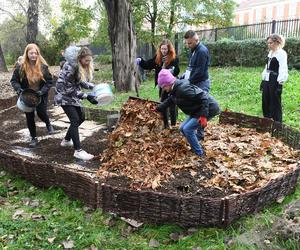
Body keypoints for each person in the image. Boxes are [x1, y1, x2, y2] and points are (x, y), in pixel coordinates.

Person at [155, 69, 220, 157]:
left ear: (168, 83)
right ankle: (195, 144)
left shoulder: (183, 89)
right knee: (182, 128)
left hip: (209, 108)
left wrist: (203, 116)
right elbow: (170, 100)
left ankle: (199, 154)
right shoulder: (175, 89)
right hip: (197, 110)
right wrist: (158, 108)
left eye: (164, 87)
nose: (164, 89)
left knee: (188, 129)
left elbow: (204, 97)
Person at [54, 46, 98, 161]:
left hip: (71, 94)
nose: (88, 63)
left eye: (89, 60)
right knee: (75, 119)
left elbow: (79, 81)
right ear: (80, 58)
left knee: (81, 117)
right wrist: (86, 96)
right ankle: (78, 151)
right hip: (63, 95)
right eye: (86, 61)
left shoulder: (79, 66)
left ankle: (66, 140)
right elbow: (68, 89)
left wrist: (93, 87)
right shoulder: (70, 67)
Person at [10, 43, 55, 148]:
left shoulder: (43, 67)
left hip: (40, 95)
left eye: (35, 53)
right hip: (27, 96)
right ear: (27, 54)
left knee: (41, 112)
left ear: (38, 54)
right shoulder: (21, 67)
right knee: (30, 117)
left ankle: (48, 124)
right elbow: (14, 80)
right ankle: (33, 138)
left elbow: (49, 82)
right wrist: (18, 89)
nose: (34, 55)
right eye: (31, 53)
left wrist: (42, 91)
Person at [136, 39, 180, 128]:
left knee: (172, 105)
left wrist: (172, 71)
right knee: (163, 103)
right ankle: (166, 125)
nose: (163, 51)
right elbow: (148, 64)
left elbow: (177, 70)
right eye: (162, 49)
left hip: (171, 84)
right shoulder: (158, 57)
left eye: (165, 49)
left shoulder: (173, 58)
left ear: (169, 49)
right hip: (163, 86)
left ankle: (174, 125)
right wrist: (141, 61)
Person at [261, 34, 288, 123]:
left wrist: (280, 84)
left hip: (275, 80)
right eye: (268, 43)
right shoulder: (270, 53)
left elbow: (283, 68)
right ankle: (267, 121)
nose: (269, 45)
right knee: (265, 100)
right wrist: (263, 80)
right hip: (267, 80)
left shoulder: (282, 53)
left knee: (275, 102)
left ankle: (277, 124)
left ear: (277, 42)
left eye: (271, 43)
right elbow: (267, 67)